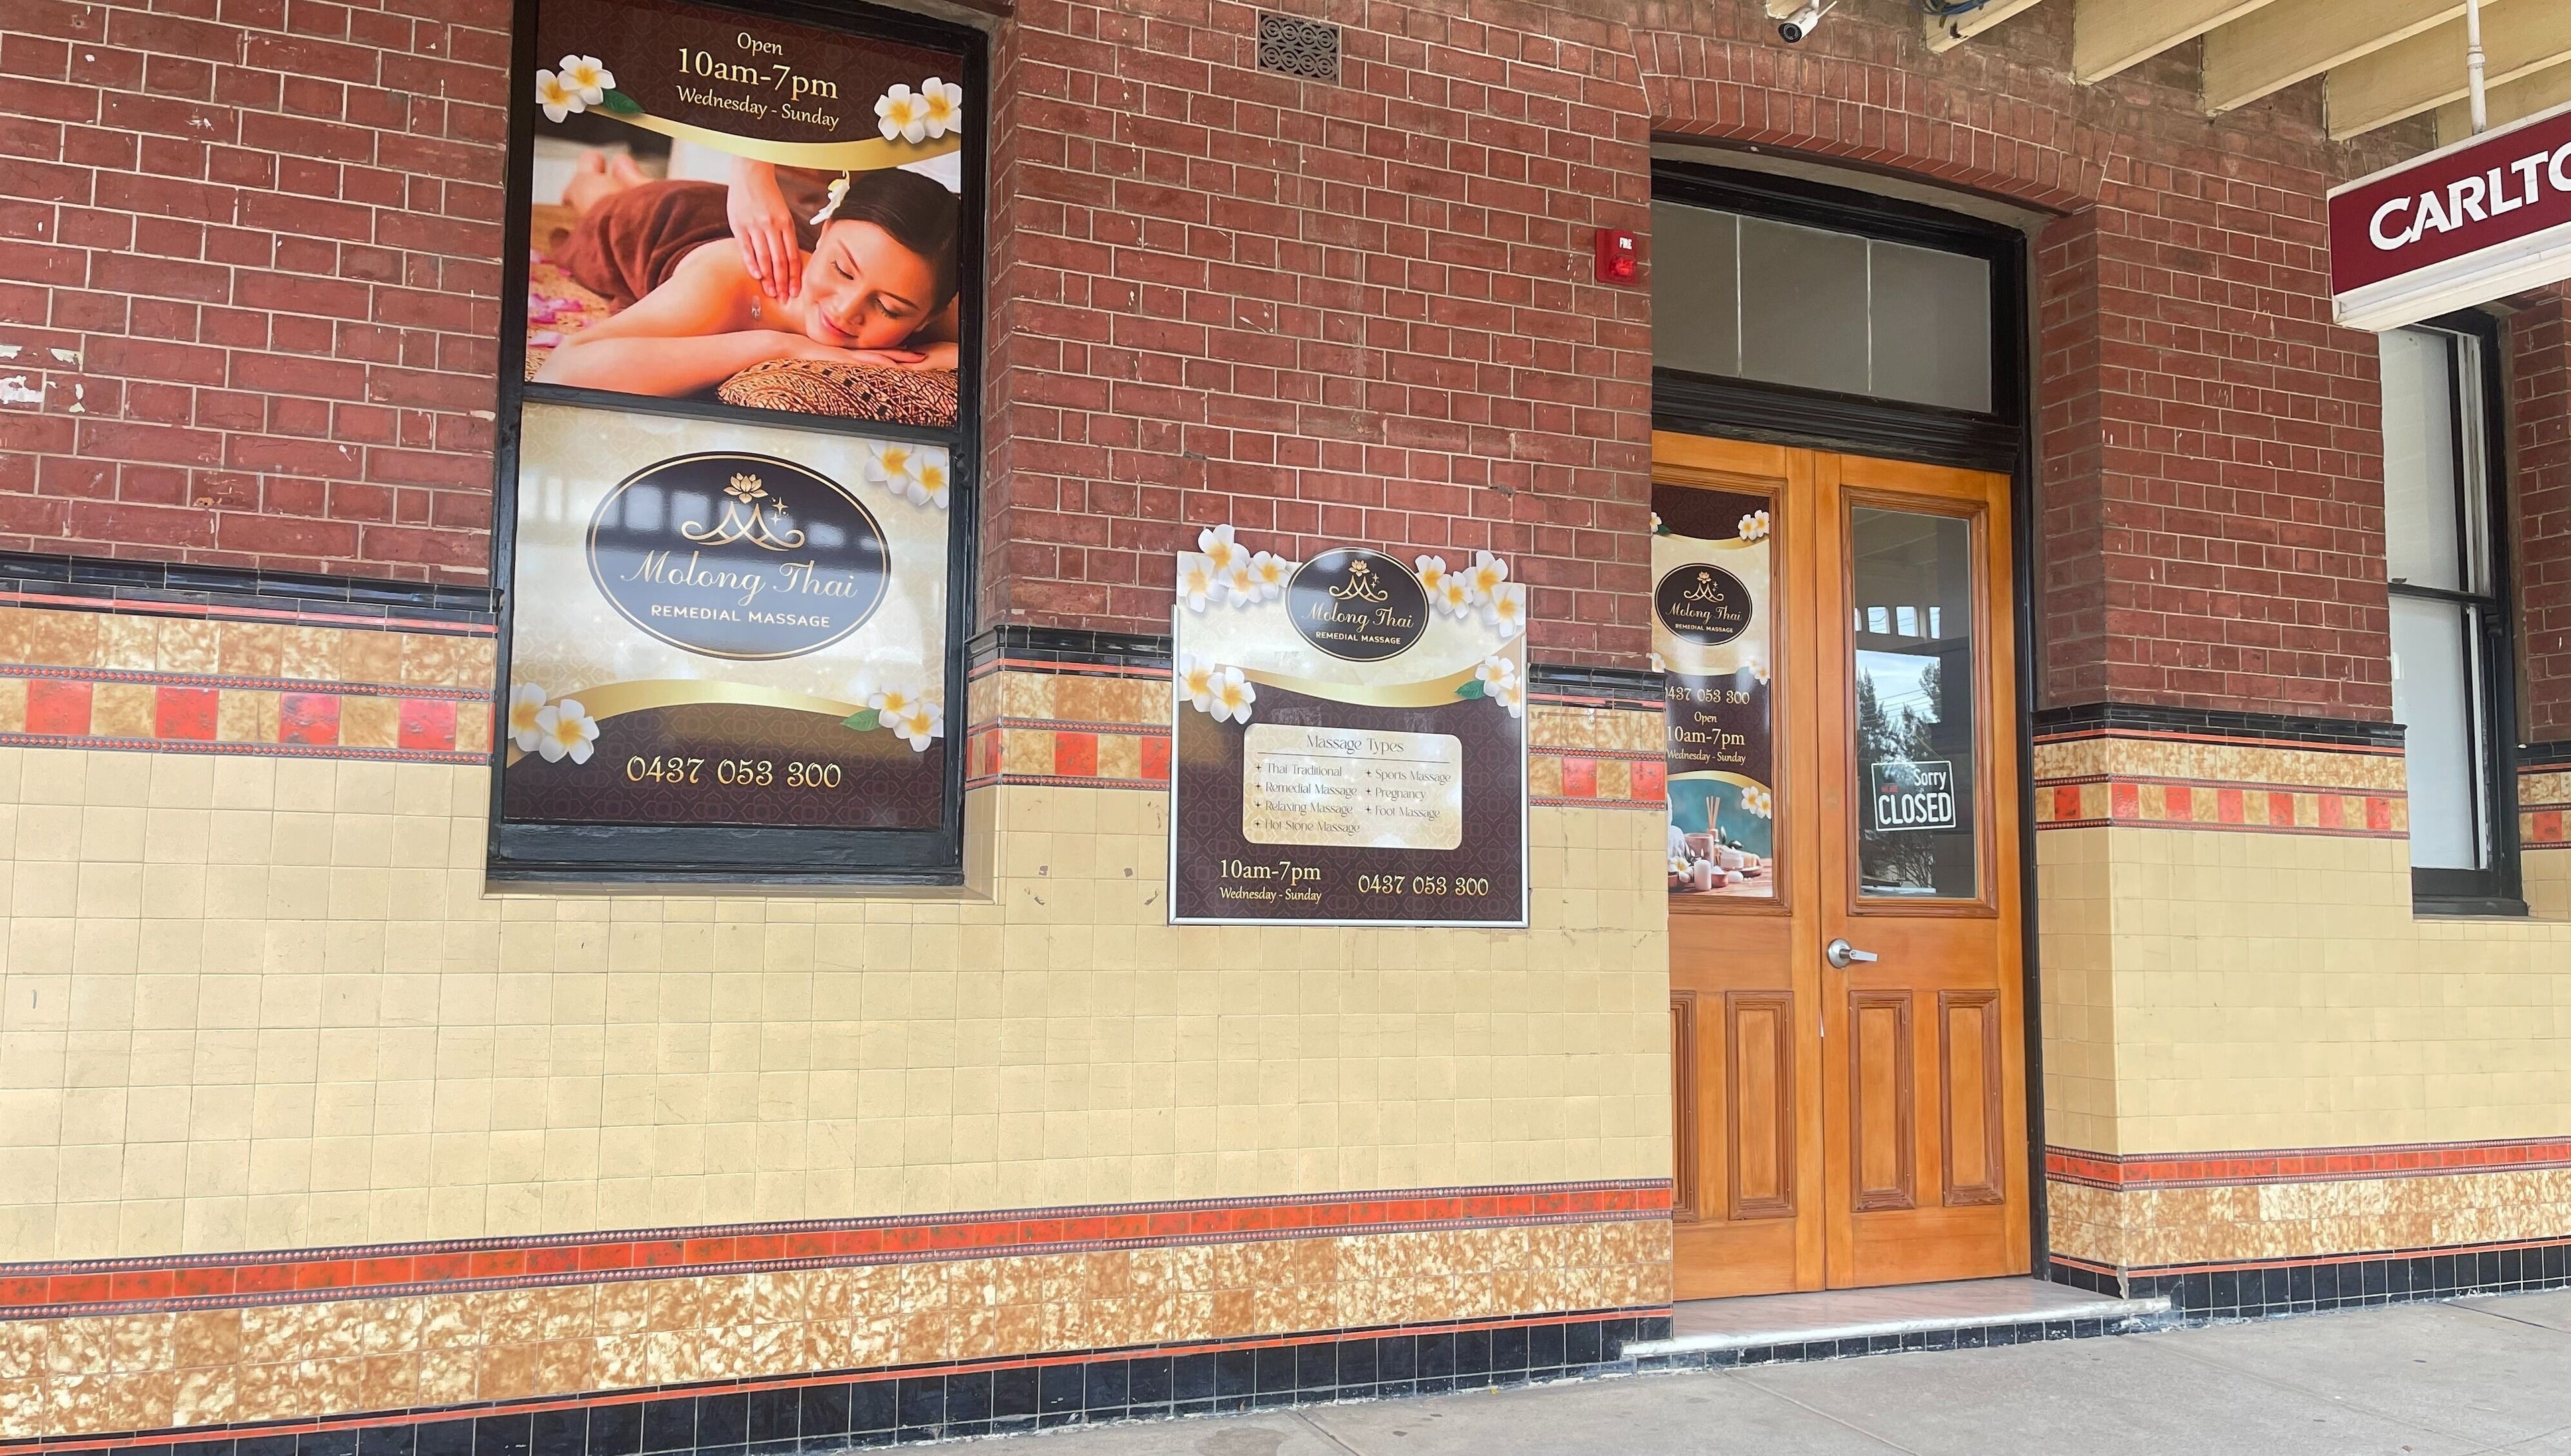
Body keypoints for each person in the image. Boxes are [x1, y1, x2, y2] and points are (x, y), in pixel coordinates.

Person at [536, 154, 959, 398]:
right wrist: (777, 345)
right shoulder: (730, 281)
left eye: (887, 308)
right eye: (842, 270)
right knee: (606, 207)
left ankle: (632, 175)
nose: (846, 311)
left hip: (757, 223)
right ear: (826, 232)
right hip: (665, 221)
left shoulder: (930, 287)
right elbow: (564, 370)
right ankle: (591, 181)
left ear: (927, 317)